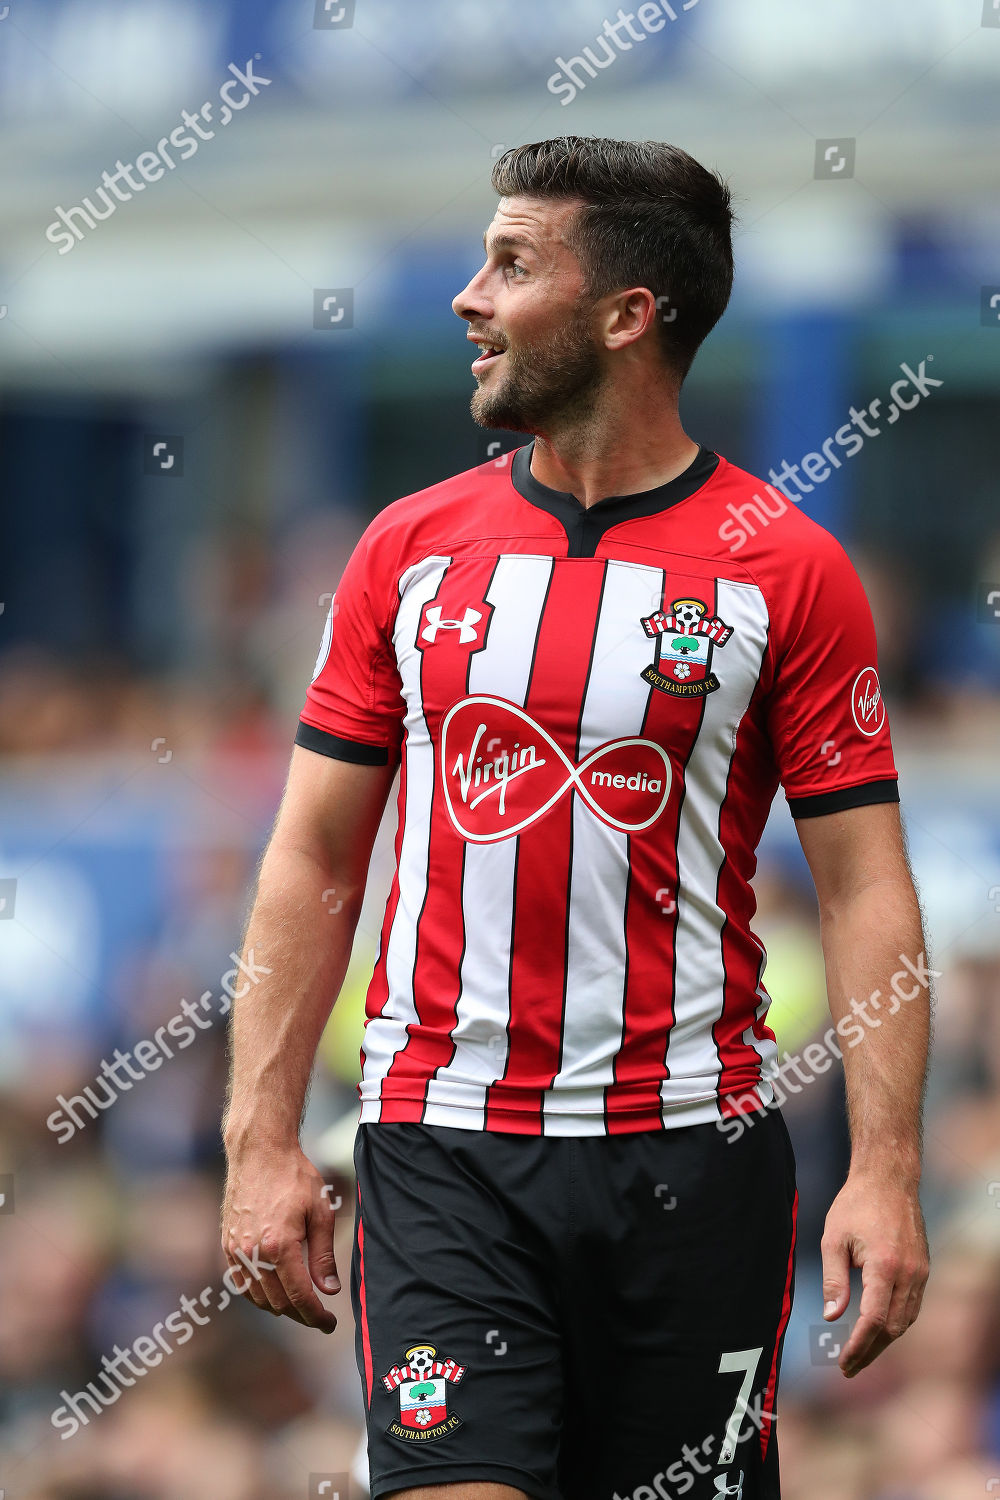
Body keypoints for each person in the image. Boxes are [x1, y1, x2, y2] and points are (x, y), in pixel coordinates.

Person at [221, 136, 930, 1500]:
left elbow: (865, 887)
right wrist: (258, 1141)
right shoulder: (410, 552)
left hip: (695, 1156)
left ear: (626, 315)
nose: (467, 299)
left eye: (511, 265)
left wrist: (887, 1171)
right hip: (444, 1152)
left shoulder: (785, 570)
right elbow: (312, 857)